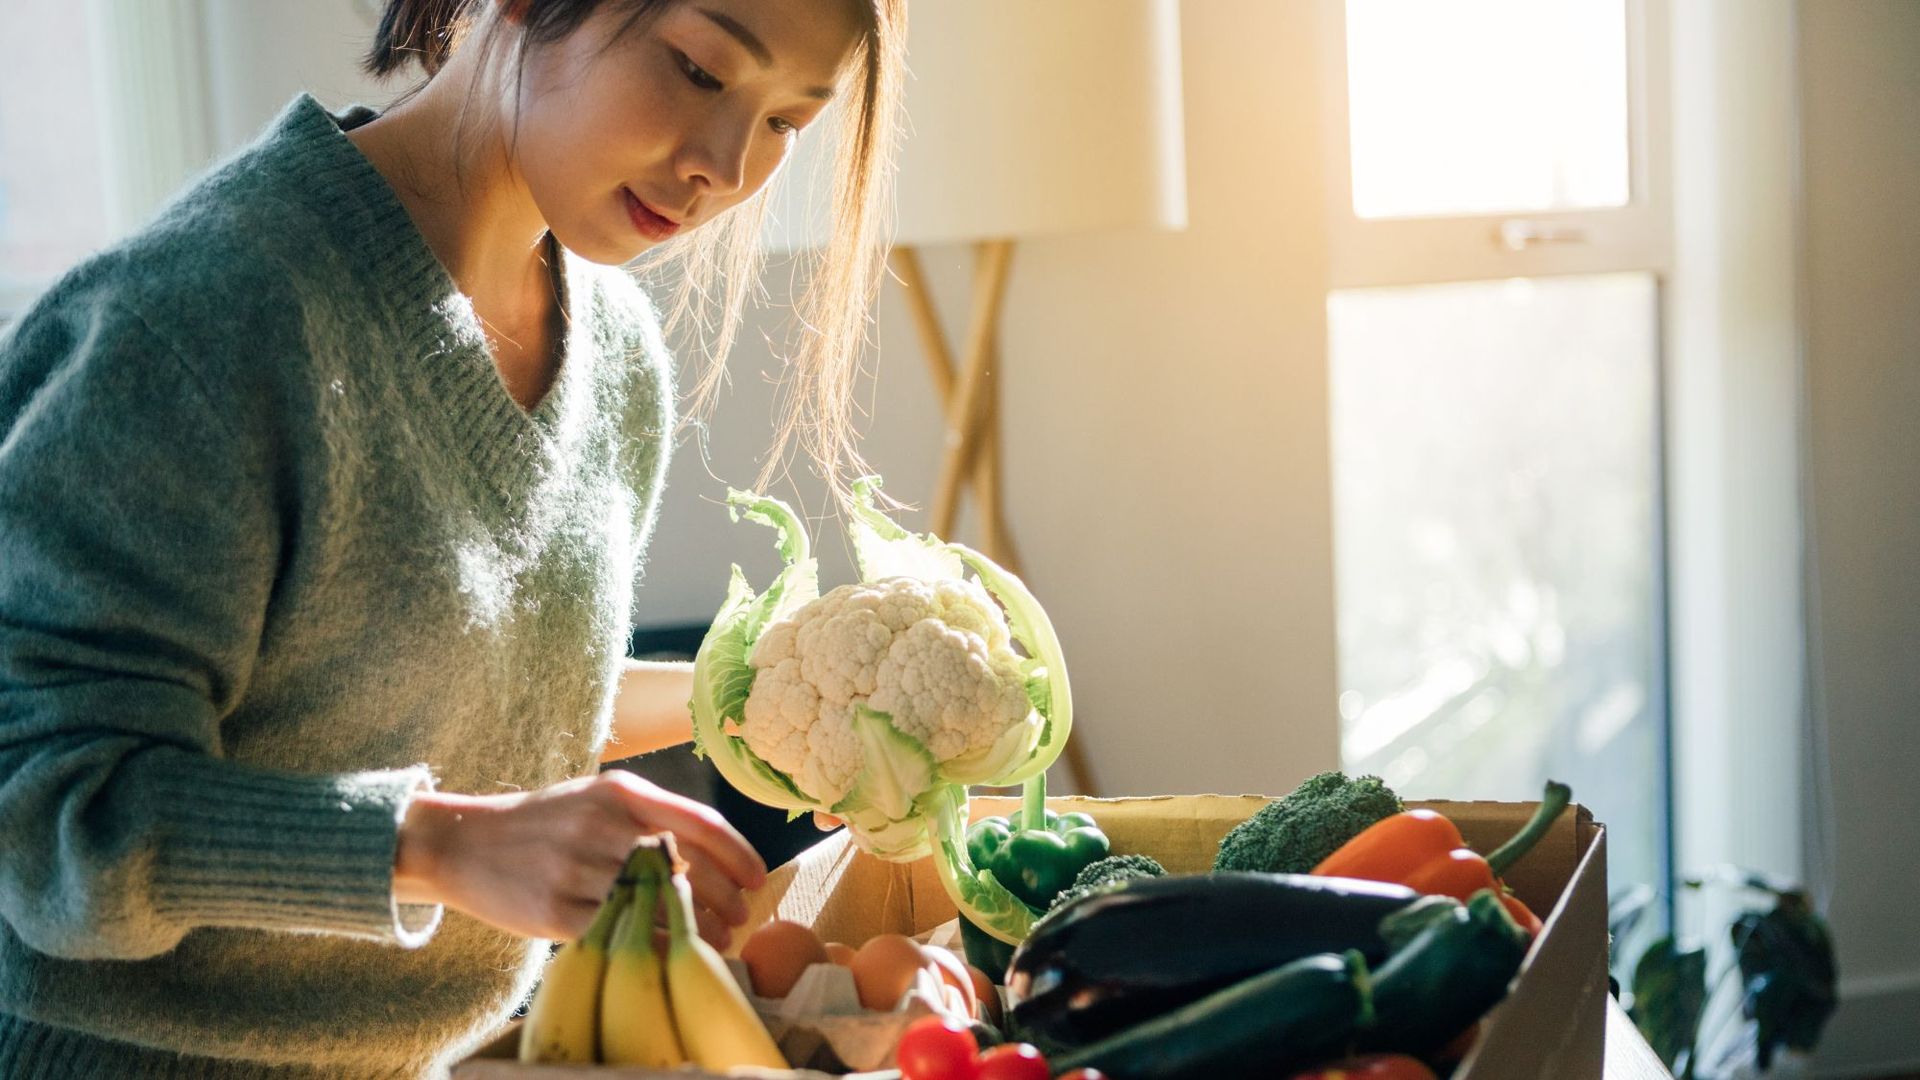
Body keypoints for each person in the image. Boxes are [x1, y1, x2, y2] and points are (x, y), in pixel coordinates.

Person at [0, 0, 904, 1075]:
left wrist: (767, 703)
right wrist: (445, 848)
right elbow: (47, 817)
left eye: (786, 121)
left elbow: (474, 699)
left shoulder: (614, 353)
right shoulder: (199, 321)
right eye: (701, 72)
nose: (725, 164)